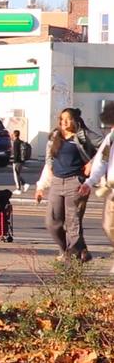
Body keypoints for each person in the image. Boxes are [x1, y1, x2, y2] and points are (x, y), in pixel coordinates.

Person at [35, 108, 98, 263]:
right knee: (52, 222)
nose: (63, 122)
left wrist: (92, 163)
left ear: (75, 120)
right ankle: (71, 251)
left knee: (73, 223)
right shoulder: (54, 138)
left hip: (75, 183)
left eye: (67, 119)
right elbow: (49, 164)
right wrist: (40, 187)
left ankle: (72, 256)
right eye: (61, 119)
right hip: (56, 182)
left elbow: (106, 148)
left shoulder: (83, 136)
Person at [80, 101, 114, 274]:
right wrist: (89, 182)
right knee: (108, 226)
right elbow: (102, 161)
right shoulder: (111, 138)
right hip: (112, 189)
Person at [11, 130, 30, 195]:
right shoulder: (21, 142)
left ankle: (18, 189)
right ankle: (25, 184)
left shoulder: (15, 142)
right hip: (21, 160)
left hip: (17, 161)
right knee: (18, 174)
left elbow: (16, 153)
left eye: (12, 134)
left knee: (16, 175)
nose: (12, 135)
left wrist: (14, 161)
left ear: (14, 135)